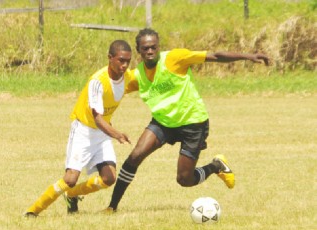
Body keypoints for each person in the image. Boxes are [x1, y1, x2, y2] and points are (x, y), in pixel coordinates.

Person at [106, 28, 270, 212]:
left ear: (158, 47)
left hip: (193, 123)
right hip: (163, 123)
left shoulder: (175, 59)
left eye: (153, 47)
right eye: (145, 48)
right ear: (139, 51)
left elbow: (215, 56)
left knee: (184, 179)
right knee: (135, 157)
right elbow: (112, 93)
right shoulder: (136, 76)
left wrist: (248, 56)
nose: (150, 51)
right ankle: (112, 207)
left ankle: (215, 166)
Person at [24, 40, 134, 217]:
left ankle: (73, 195)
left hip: (103, 134)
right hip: (84, 131)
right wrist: (117, 134)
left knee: (109, 178)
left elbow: (141, 82)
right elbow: (97, 118)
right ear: (110, 58)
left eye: (128, 61)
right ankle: (33, 211)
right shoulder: (97, 81)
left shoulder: (127, 76)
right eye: (121, 60)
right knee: (70, 179)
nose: (124, 65)